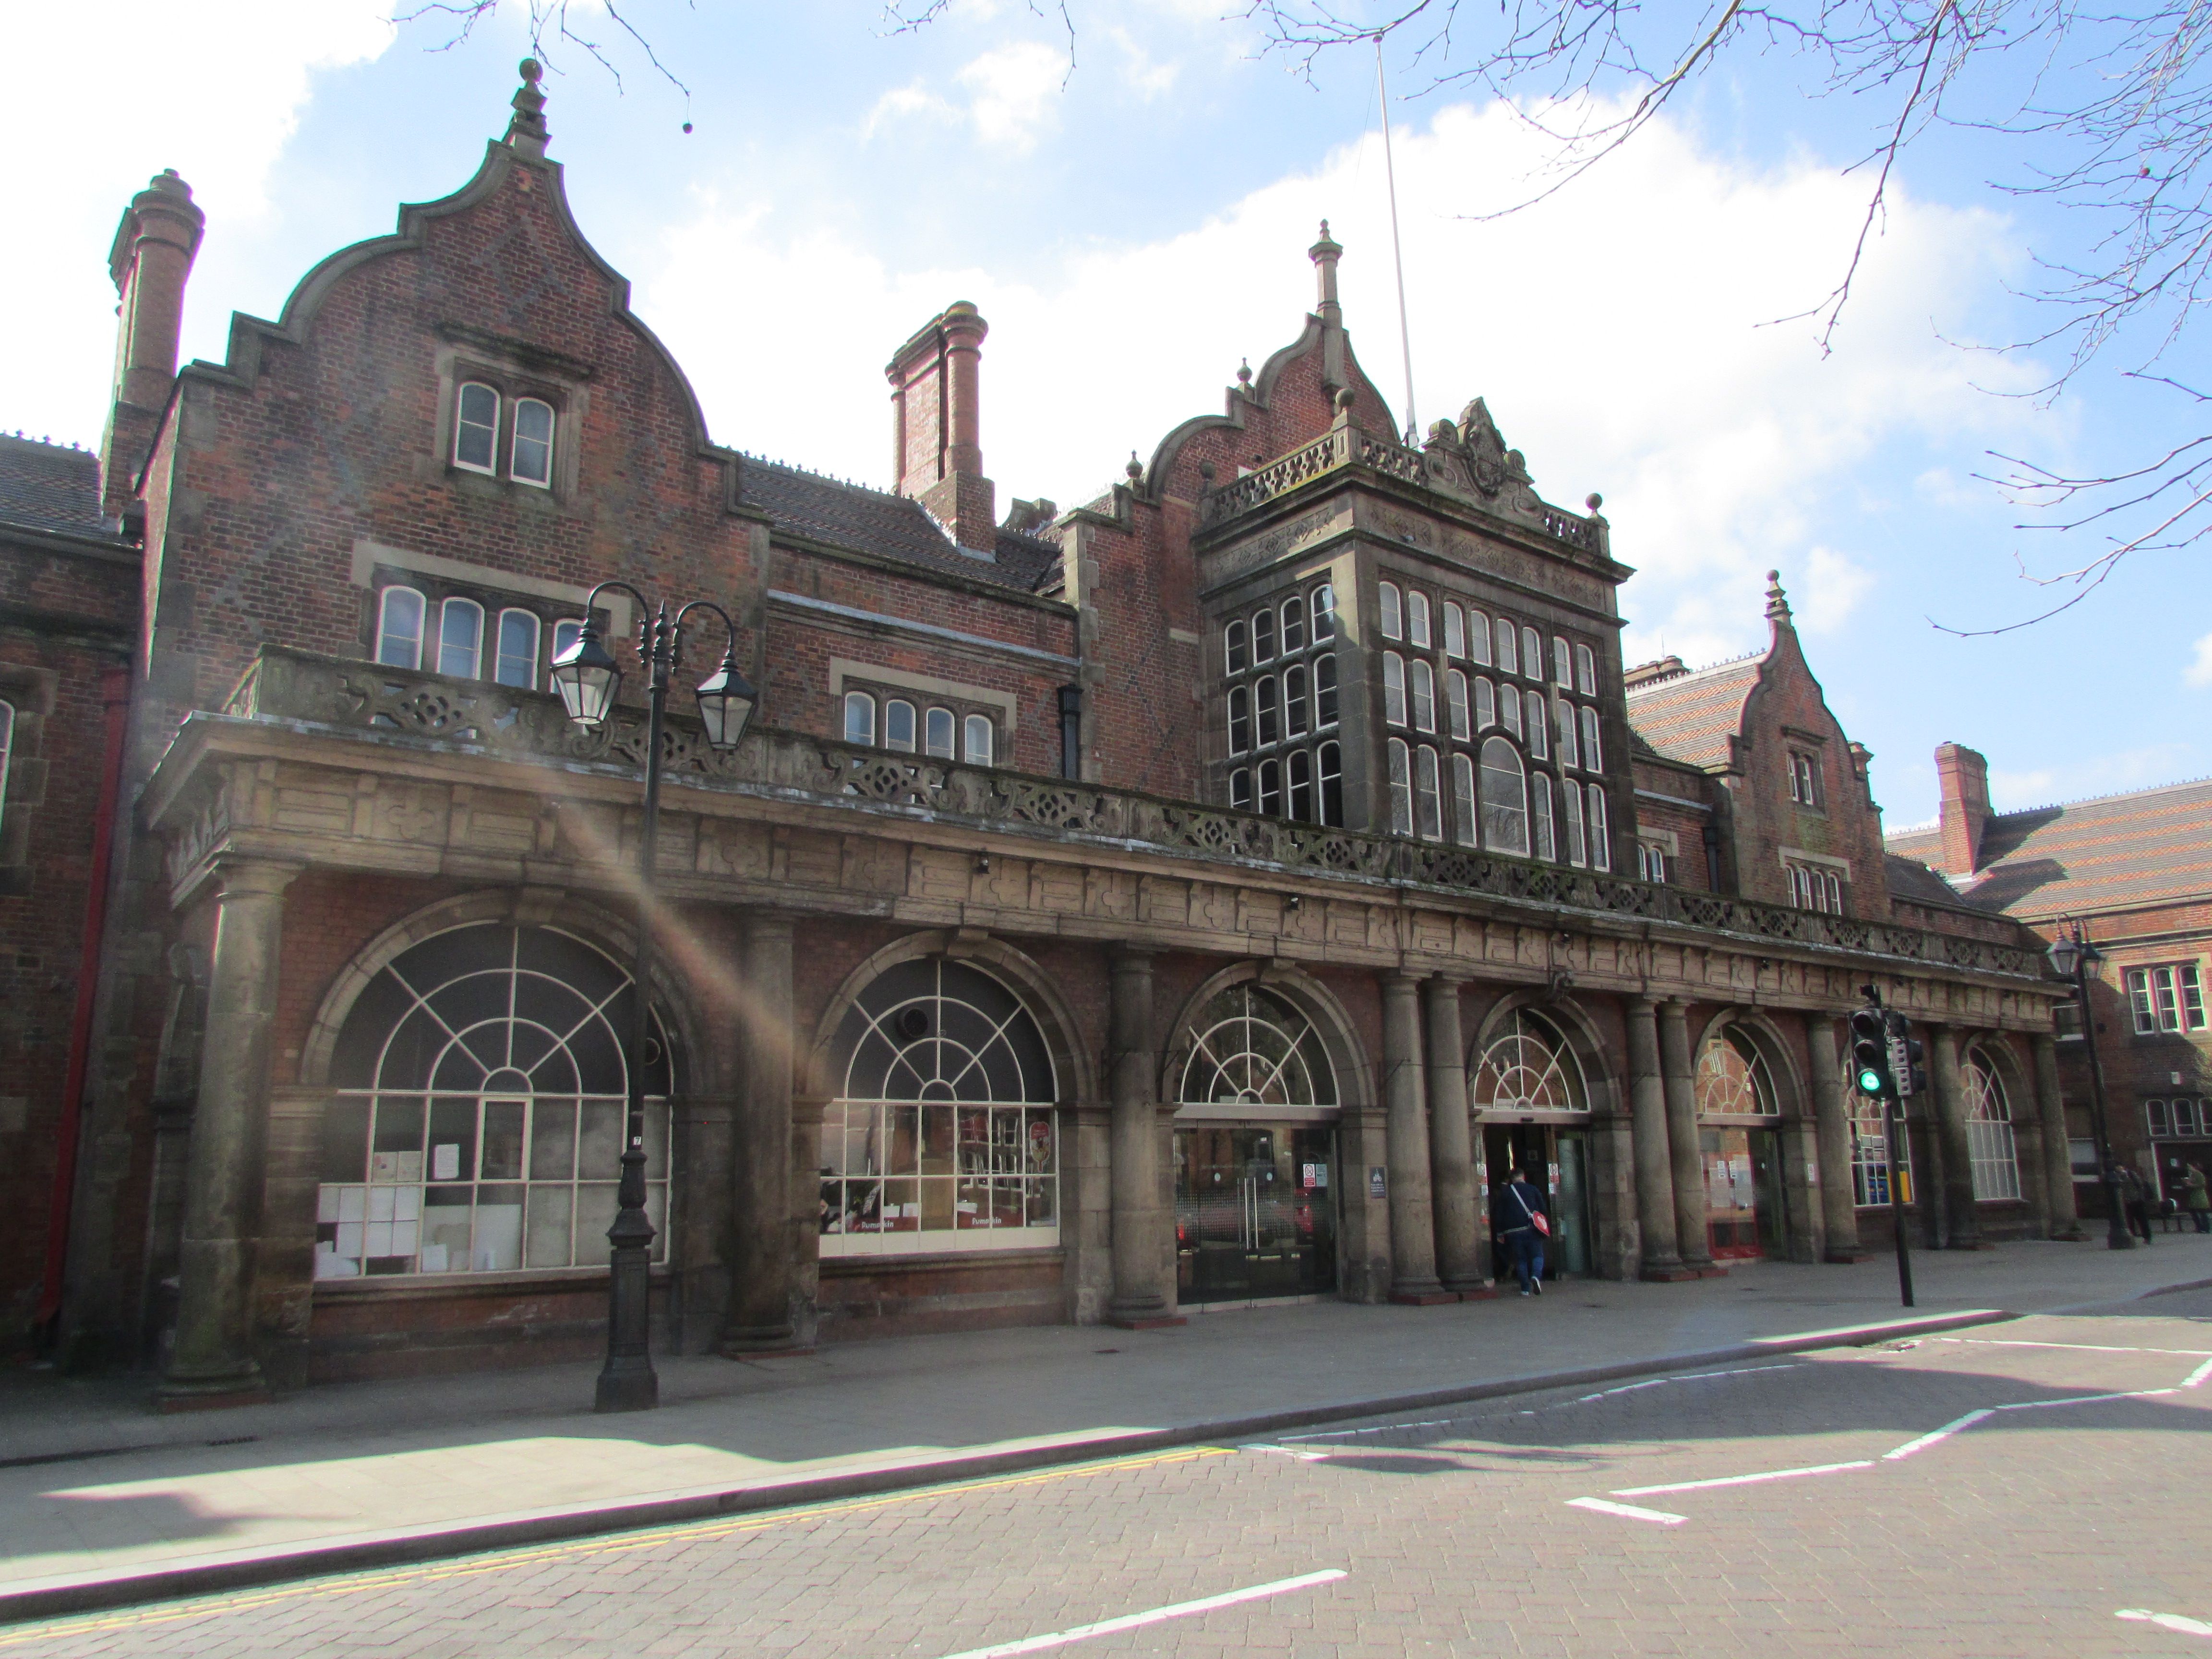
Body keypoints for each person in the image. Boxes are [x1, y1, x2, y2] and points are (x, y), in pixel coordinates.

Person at [1491, 1165, 1549, 1296]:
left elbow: (1499, 1214)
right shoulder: (1533, 1189)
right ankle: (1536, 1276)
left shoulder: (1505, 1193)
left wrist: (1500, 1232)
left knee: (1521, 1260)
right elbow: (1543, 1209)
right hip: (1531, 1229)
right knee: (1537, 1255)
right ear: (1523, 1177)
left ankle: (1525, 1289)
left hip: (1512, 1232)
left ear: (1512, 1179)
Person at [2118, 1165, 2154, 1245]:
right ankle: (2132, 1235)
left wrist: (2141, 1198)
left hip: (2137, 1200)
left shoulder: (2131, 1174)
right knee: (2129, 1220)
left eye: (2119, 1167)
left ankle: (2147, 1237)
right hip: (2128, 1201)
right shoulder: (2118, 1176)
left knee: (2142, 1219)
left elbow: (2140, 1185)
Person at [2185, 1164, 2210, 1235]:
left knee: (2202, 1212)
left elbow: (2203, 1184)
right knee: (2194, 1211)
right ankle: (2200, 1227)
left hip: (2199, 1196)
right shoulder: (2192, 1175)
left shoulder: (2199, 1174)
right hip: (2194, 1196)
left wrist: (2191, 1185)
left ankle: (2206, 1228)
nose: (2189, 1169)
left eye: (2190, 1167)